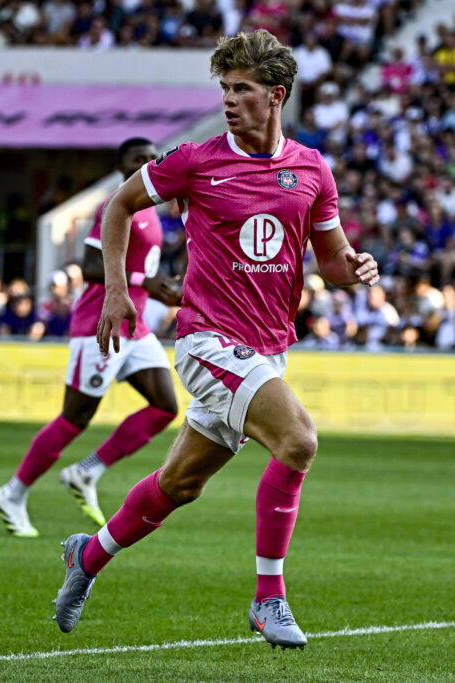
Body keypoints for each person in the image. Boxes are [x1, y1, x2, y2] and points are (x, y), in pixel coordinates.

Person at [51, 30, 379, 650]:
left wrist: (356, 266)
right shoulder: (195, 161)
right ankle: (268, 599)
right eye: (225, 88)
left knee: (180, 486)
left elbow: (334, 260)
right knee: (298, 441)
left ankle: (86, 555)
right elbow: (119, 206)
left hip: (268, 348)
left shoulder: (311, 168)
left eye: (242, 89)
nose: (228, 99)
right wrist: (118, 290)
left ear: (276, 95)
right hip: (208, 343)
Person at [0, 138, 182, 537]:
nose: (147, 163)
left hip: (135, 326)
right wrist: (146, 281)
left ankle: (87, 471)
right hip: (100, 322)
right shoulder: (116, 204)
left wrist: (164, 286)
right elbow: (90, 266)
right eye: (138, 159)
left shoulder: (151, 208)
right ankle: (13, 492)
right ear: (120, 166)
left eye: (152, 157)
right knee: (75, 417)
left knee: (165, 407)